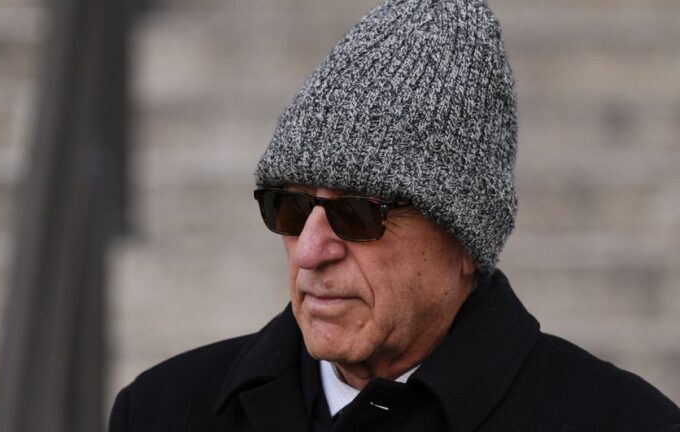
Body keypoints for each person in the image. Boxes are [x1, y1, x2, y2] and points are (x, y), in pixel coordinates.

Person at [109, 0, 680, 430]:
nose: (310, 250)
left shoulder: (625, 421)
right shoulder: (162, 410)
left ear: (463, 240)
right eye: (290, 207)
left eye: (358, 215)